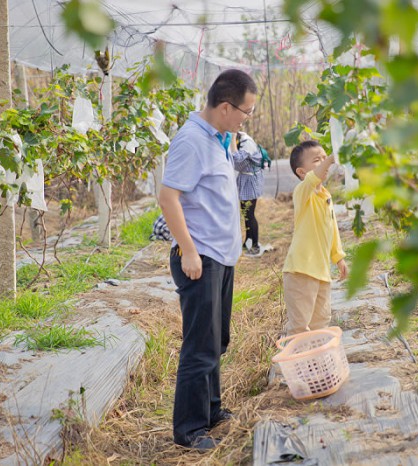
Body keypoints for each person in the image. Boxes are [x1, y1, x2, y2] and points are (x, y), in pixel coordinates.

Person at [158, 69, 257, 451]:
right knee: (199, 346)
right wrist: (188, 250)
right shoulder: (191, 141)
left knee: (217, 340)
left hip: (221, 255)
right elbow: (168, 199)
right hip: (201, 258)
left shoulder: (219, 138)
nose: (246, 119)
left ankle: (212, 410)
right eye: (245, 112)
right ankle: (189, 429)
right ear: (226, 107)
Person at [282, 140, 348, 336]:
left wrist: (339, 257)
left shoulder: (325, 195)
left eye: (324, 157)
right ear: (302, 172)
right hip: (300, 272)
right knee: (300, 325)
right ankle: (295, 363)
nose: (323, 163)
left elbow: (332, 229)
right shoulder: (303, 192)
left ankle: (316, 363)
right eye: (316, 160)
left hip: (321, 272)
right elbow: (313, 179)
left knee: (321, 322)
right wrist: (329, 159)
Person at [232, 131, 266, 256]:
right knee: (245, 212)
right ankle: (248, 241)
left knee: (250, 214)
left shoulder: (246, 142)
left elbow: (237, 158)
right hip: (245, 179)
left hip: (251, 181)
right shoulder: (241, 140)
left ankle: (256, 245)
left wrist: (232, 138)